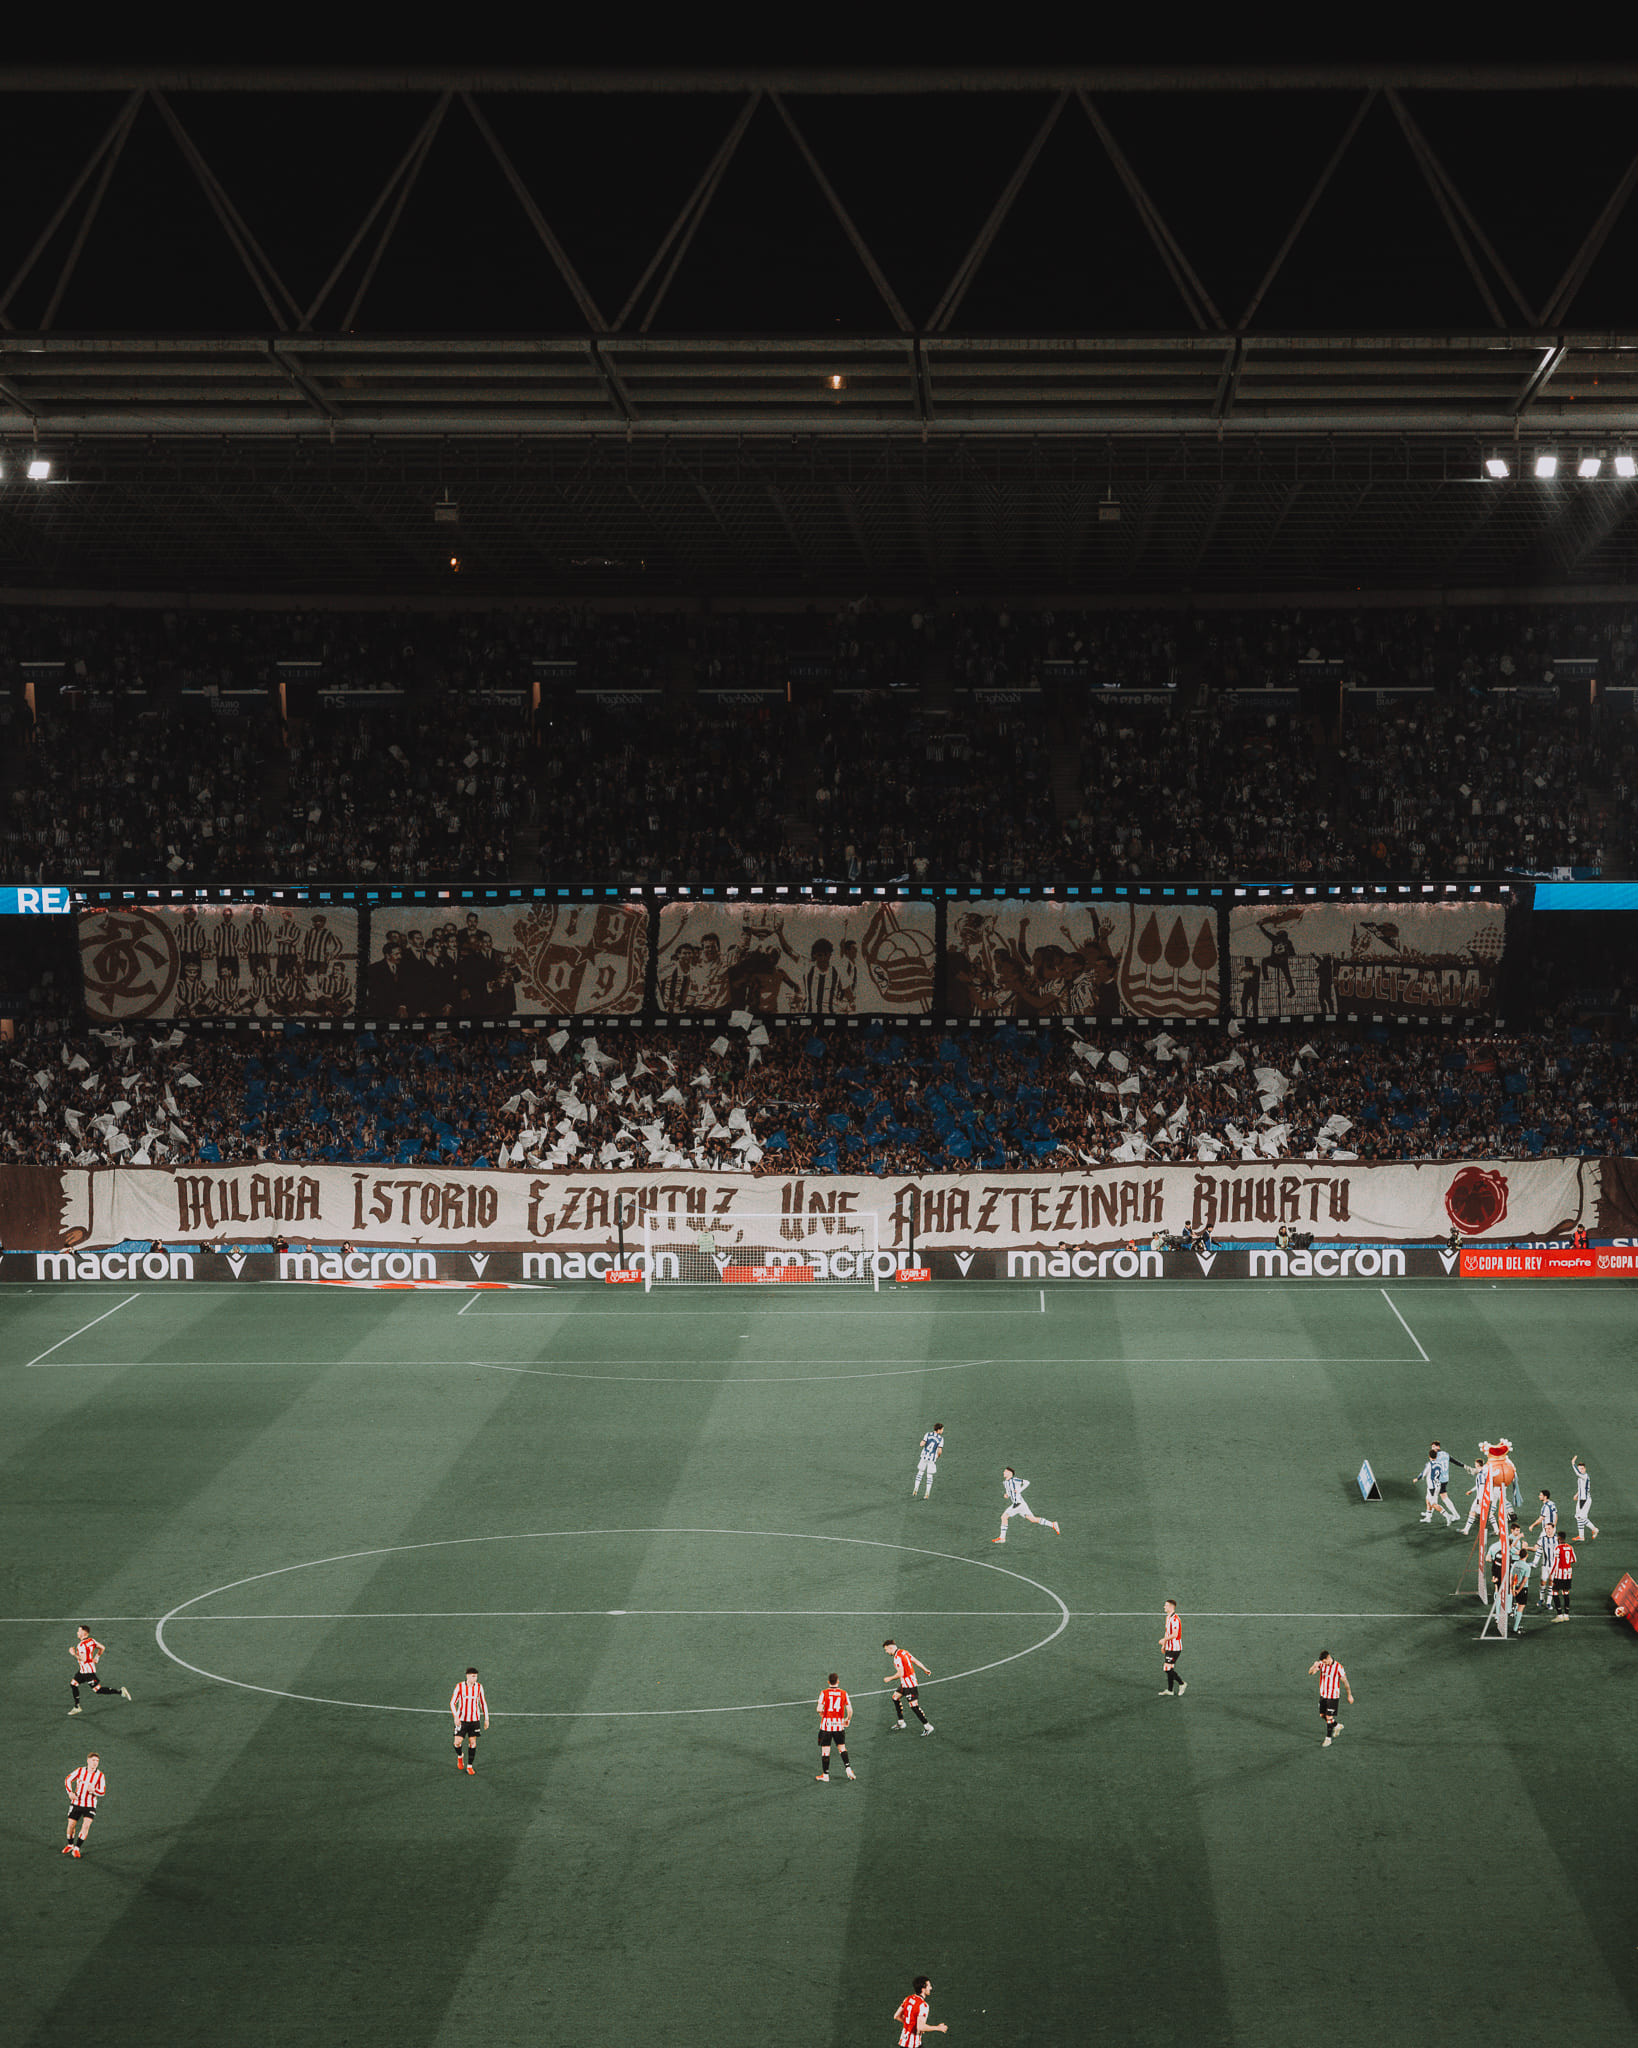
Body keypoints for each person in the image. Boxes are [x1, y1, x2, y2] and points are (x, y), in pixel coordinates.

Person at [68, 1627, 131, 1715]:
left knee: (98, 1690)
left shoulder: (81, 1645)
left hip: (88, 1672)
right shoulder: (92, 1641)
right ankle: (77, 1707)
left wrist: (73, 1653)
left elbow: (84, 1659)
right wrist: (97, 1657)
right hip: (83, 1670)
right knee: (73, 1684)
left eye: (79, 1631)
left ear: (83, 1633)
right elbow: (102, 1647)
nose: (77, 1632)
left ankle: (121, 1691)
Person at [992, 1466, 1060, 1543]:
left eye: (1005, 1471)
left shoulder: (1015, 1480)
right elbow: (1010, 1492)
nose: (1003, 1472)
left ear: (1010, 1473)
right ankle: (1053, 1524)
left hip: (1018, 1504)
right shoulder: (1005, 1483)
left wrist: (1019, 1490)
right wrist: (1007, 1495)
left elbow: (1027, 1482)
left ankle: (1002, 1538)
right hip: (1021, 1504)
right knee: (1033, 1519)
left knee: (1004, 1517)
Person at [883, 1639, 934, 1735]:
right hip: (905, 1683)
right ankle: (901, 1723)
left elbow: (900, 1673)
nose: (886, 1652)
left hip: (909, 1685)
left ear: (890, 1648)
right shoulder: (904, 1652)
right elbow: (915, 1661)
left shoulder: (897, 1658)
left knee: (914, 1706)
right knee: (895, 1697)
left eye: (886, 1649)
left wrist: (889, 1678)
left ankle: (928, 1726)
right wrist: (925, 1669)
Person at [61, 1752, 106, 1857]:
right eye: (93, 1760)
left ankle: (77, 1848)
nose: (95, 1763)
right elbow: (68, 1779)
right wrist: (70, 1792)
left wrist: (94, 1790)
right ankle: (70, 1845)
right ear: (88, 1760)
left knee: (86, 1825)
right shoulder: (80, 1771)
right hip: (76, 1803)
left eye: (97, 1761)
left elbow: (102, 1791)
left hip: (90, 1805)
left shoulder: (100, 1775)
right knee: (71, 1825)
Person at [815, 1673, 855, 1782]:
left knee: (825, 1751)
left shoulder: (824, 1693)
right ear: (838, 1681)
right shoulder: (843, 1693)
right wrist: (848, 1719)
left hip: (826, 1726)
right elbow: (850, 1710)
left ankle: (826, 1775)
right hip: (839, 1725)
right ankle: (848, 1768)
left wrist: (822, 1713)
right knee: (842, 1748)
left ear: (828, 1682)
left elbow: (819, 1709)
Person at [1308, 1651, 1353, 1747]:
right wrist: (1314, 1666)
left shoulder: (1338, 1667)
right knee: (1322, 1715)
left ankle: (1328, 1739)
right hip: (1323, 1695)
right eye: (1322, 1662)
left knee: (1329, 1717)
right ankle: (1336, 1725)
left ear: (1328, 1658)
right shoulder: (1321, 1664)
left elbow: (1345, 1682)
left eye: (1325, 1661)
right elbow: (1311, 1673)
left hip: (1333, 1696)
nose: (1324, 1663)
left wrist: (1349, 1695)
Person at [450, 1665, 489, 1774]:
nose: (475, 1678)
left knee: (472, 1742)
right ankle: (460, 1756)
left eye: (476, 1676)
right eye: (473, 1676)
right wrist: (456, 1717)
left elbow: (483, 1703)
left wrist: (486, 1719)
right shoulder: (459, 1686)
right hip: (461, 1720)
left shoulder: (479, 1687)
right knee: (457, 1742)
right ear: (467, 1676)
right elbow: (452, 1702)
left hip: (474, 1720)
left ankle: (469, 1766)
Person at [894, 1976, 948, 2045]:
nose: (931, 1988)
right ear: (923, 1989)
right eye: (929, 1986)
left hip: (904, 2041)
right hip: (913, 2045)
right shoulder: (923, 2005)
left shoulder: (908, 1999)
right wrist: (938, 2028)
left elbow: (897, 2016)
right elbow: (921, 2027)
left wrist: (911, 2026)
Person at [1416, 1442, 1459, 1526]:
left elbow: (1423, 1474)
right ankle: (1428, 1516)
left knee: (1434, 1503)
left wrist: (1417, 1479)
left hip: (1434, 1485)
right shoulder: (1441, 1460)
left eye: (1433, 1446)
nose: (1432, 1448)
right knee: (1428, 1499)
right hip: (1438, 1483)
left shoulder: (1431, 1463)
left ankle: (1449, 1515)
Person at [1529, 1489, 1559, 1607]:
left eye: (1540, 1495)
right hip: (1551, 1528)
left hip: (1547, 1529)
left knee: (1551, 1581)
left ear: (1545, 1496)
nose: (1539, 1496)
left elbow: (1541, 1519)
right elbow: (1556, 1516)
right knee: (1542, 1546)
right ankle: (1542, 1599)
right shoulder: (1552, 1504)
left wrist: (1532, 1525)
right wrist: (1554, 1527)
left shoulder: (1545, 1506)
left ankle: (1548, 1602)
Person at [1158, 1599, 1186, 1696]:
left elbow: (1174, 1634)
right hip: (1169, 1647)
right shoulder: (1168, 1617)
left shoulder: (1175, 1619)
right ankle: (1170, 1690)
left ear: (1171, 1607)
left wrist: (1163, 1640)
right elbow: (1167, 1632)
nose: (1164, 1607)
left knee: (1167, 1668)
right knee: (1169, 1668)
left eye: (1166, 1605)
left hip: (1175, 1648)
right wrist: (1164, 1645)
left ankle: (1182, 1683)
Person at [1570, 1455, 1599, 1540]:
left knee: (1581, 1517)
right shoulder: (1580, 1478)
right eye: (1579, 1469)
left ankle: (1594, 1529)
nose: (1580, 1470)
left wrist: (1573, 1463)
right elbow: (1581, 1488)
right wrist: (1577, 1495)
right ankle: (1581, 1536)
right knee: (1578, 1517)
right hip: (1581, 1499)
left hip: (1585, 1500)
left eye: (1582, 1469)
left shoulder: (1585, 1476)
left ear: (1585, 1469)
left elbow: (1577, 1473)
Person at [912, 1423, 944, 1499]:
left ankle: (915, 1489)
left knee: (920, 1472)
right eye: (942, 1429)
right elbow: (939, 1451)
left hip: (924, 1456)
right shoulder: (940, 1439)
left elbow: (921, 1444)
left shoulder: (928, 1434)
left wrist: (923, 1443)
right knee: (929, 1475)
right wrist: (937, 1457)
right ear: (939, 1430)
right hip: (931, 1459)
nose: (943, 1431)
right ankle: (927, 1493)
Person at [1551, 1536, 1576, 1620]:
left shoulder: (1558, 1548)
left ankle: (1559, 1615)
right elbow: (1574, 1560)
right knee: (1566, 1592)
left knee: (1555, 1592)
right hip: (1568, 1574)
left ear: (1559, 1539)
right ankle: (1566, 1614)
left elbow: (1555, 1563)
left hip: (1559, 1574)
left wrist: (1551, 1574)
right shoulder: (1570, 1547)